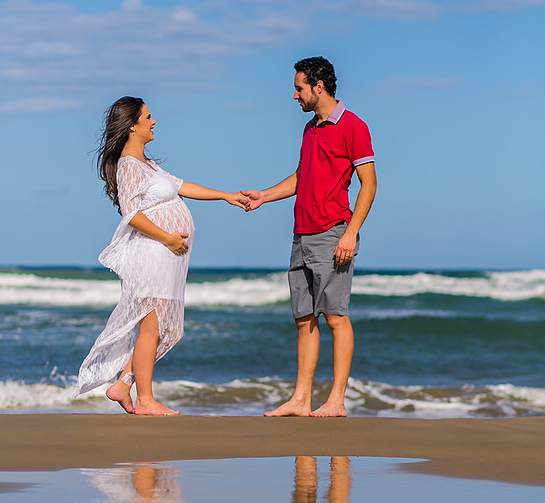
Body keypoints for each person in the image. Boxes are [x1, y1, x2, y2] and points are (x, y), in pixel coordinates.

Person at [75, 96, 247, 415]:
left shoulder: (148, 165)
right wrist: (168, 238)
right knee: (152, 328)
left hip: (167, 256)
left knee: (168, 330)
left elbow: (182, 186)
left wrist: (226, 196)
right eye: (148, 117)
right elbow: (131, 213)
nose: (153, 122)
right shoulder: (129, 165)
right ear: (132, 126)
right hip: (152, 254)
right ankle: (145, 400)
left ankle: (123, 384)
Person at [242, 57, 376, 417]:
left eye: (299, 88)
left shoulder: (353, 126)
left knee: (336, 316)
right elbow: (302, 177)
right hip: (301, 233)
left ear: (319, 86)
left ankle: (336, 401)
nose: (295, 96)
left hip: (333, 233)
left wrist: (351, 234)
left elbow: (369, 185)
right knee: (304, 318)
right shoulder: (309, 129)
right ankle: (301, 399)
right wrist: (264, 196)